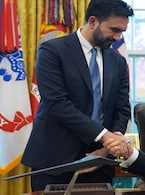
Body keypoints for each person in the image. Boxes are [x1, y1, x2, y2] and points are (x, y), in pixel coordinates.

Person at [21, 0, 134, 191]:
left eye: (122, 31)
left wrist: (108, 148)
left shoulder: (118, 61)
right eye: (114, 29)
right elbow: (57, 103)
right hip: (54, 160)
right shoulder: (52, 51)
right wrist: (105, 136)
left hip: (100, 161)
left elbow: (122, 108)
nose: (117, 37)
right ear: (92, 21)